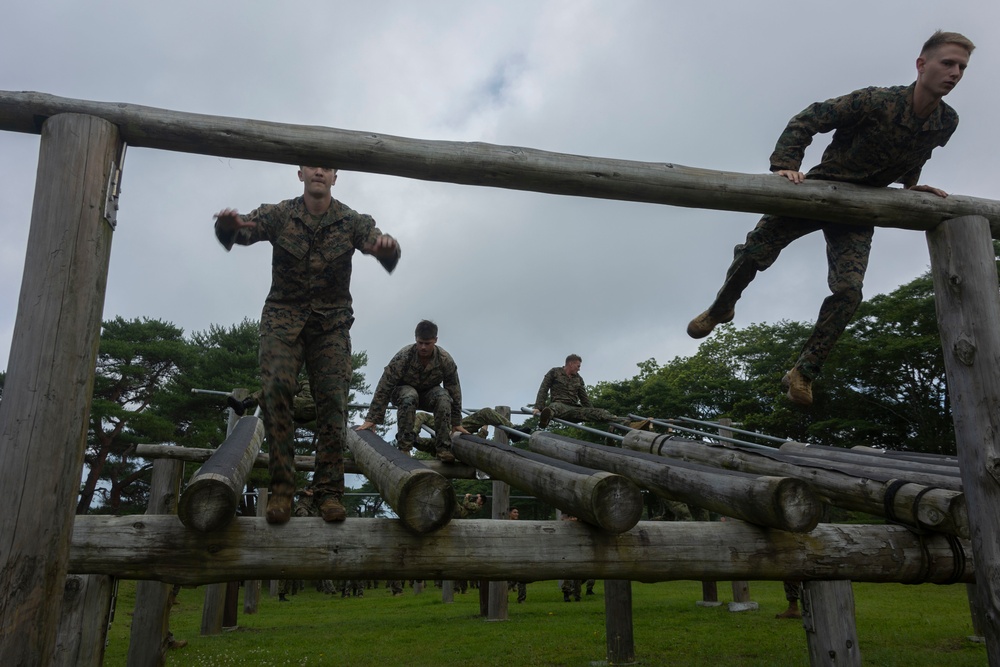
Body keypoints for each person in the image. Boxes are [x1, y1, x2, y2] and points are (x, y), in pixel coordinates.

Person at [687, 31, 975, 407]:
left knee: (849, 292)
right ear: (922, 65)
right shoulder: (876, 100)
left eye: (962, 68)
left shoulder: (946, 121)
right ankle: (722, 307)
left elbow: (917, 153)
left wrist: (910, 187)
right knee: (754, 253)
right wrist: (786, 166)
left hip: (860, 208)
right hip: (818, 191)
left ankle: (803, 372)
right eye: (947, 63)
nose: (955, 73)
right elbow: (809, 118)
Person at [214, 166, 400, 524]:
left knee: (332, 401)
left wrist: (385, 249)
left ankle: (328, 492)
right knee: (275, 391)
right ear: (300, 174)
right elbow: (242, 234)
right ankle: (282, 490)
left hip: (330, 324)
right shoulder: (279, 213)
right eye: (312, 165)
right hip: (283, 319)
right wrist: (229, 226)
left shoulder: (352, 220)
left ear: (334, 176)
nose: (318, 171)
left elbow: (377, 244)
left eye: (326, 167)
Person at [358, 320, 468, 462]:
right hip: (402, 393)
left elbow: (454, 391)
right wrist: (372, 419)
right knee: (410, 395)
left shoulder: (445, 360)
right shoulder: (403, 357)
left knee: (443, 397)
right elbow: (385, 386)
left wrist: (456, 421)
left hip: (429, 394)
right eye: (420, 342)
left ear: (435, 340)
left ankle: (443, 449)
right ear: (415, 339)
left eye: (427, 343)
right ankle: (404, 448)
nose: (423, 347)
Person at [532, 354, 624, 428]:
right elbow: (543, 389)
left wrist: (592, 412)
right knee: (553, 408)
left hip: (574, 409)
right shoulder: (554, 372)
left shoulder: (579, 379)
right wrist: (538, 407)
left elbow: (584, 399)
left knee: (600, 413)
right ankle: (545, 419)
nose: (579, 369)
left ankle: (624, 422)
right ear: (571, 364)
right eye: (578, 366)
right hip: (559, 405)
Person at [507, 507, 528, 603]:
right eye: (515, 512)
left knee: (522, 578)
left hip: (519, 553)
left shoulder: (520, 525)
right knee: (510, 580)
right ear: (509, 513)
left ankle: (522, 598)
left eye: (517, 512)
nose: (517, 514)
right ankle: (503, 597)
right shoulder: (505, 524)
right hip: (509, 553)